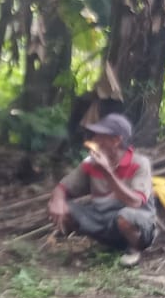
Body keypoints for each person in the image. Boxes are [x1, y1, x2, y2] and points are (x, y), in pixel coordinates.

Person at [47, 113, 156, 266]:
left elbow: (135, 202)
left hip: (135, 219)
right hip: (102, 217)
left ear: (116, 140)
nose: (94, 140)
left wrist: (107, 172)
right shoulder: (90, 163)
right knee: (63, 208)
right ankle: (107, 244)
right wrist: (58, 200)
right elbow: (63, 187)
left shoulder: (140, 163)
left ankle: (134, 249)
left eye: (100, 136)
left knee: (126, 217)